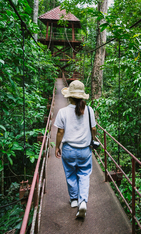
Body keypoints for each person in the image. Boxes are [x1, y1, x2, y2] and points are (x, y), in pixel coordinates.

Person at [54, 80, 97, 218]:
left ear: (69, 96)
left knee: (70, 174)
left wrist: (57, 147)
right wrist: (92, 139)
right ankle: (83, 201)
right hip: (85, 150)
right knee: (84, 175)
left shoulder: (62, 112)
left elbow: (60, 132)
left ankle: (74, 200)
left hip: (68, 150)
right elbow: (94, 129)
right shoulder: (89, 110)